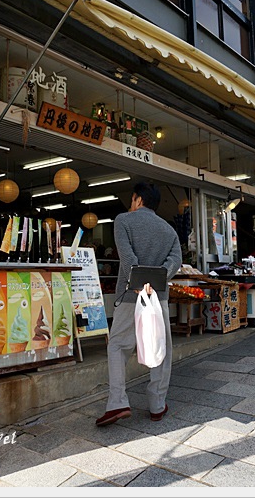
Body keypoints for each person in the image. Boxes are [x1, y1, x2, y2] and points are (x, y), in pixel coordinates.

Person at [95, 182, 182, 427]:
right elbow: (175, 260)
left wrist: (138, 281)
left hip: (130, 296)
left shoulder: (123, 220)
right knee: (161, 351)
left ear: (138, 200)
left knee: (118, 347)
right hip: (159, 299)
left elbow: (127, 256)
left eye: (132, 199)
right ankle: (157, 404)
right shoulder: (169, 230)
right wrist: (157, 278)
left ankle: (118, 402)